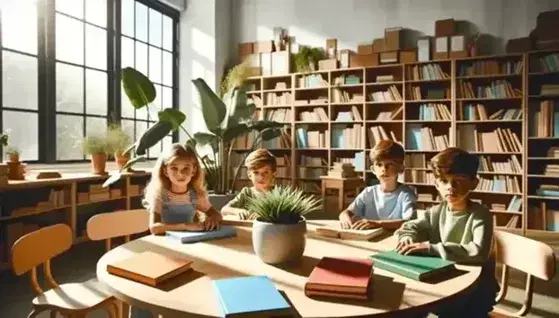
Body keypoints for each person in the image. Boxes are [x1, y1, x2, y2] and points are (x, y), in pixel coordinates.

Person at [394, 147, 497, 318]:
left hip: (474, 291)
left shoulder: (481, 214)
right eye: (443, 181)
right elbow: (409, 227)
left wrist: (431, 248)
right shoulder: (436, 211)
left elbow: (478, 252)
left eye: (459, 180)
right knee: (405, 300)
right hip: (446, 279)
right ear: (436, 184)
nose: (450, 187)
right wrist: (406, 237)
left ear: (474, 183)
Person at [143, 143, 222, 235]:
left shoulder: (195, 195)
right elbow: (154, 228)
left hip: (189, 240)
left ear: (194, 170)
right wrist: (185, 226)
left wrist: (213, 219)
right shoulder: (159, 195)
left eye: (186, 168)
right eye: (174, 168)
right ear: (165, 171)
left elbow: (216, 214)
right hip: (164, 242)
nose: (180, 174)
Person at [339, 140, 417, 230]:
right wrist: (344, 216)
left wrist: (378, 224)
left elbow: (410, 222)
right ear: (373, 169)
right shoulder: (368, 192)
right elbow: (347, 212)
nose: (384, 169)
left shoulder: (406, 194)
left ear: (401, 168)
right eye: (379, 165)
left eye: (390, 164)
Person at [221, 149, 277, 220]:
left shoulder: (278, 194)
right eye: (256, 172)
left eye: (266, 172)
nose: (261, 177)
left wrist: (263, 216)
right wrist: (239, 211)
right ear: (249, 175)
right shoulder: (246, 193)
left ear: (273, 174)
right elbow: (224, 210)